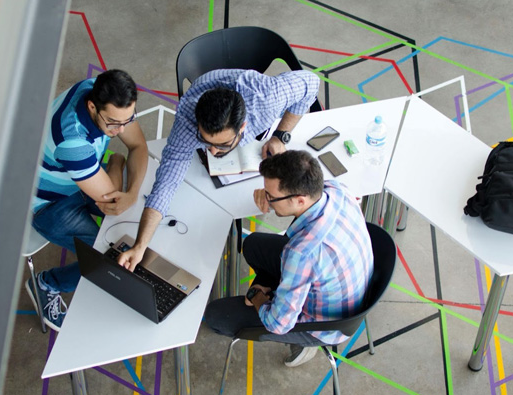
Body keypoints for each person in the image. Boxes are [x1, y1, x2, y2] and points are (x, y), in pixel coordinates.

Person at [116, 68, 320, 271]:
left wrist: (281, 134)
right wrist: (140, 245)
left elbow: (311, 83)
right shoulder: (187, 120)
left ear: (242, 128)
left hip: (252, 92)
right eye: (205, 142)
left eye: (222, 145)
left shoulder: (267, 99)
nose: (212, 152)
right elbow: (166, 183)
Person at [204, 150, 374, 367]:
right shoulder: (336, 190)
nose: (267, 200)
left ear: (300, 200)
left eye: (271, 197)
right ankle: (279, 293)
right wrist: (267, 193)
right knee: (254, 245)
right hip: (345, 286)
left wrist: (256, 295)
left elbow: (277, 324)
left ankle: (304, 345)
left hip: (324, 325)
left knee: (216, 315)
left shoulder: (302, 253)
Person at [25, 69, 148, 331]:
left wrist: (132, 191)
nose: (121, 130)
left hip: (80, 179)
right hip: (49, 204)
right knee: (106, 257)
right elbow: (113, 203)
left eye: (128, 120)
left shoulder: (101, 90)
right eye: (114, 123)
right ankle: (47, 284)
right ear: (92, 107)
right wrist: (116, 163)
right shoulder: (73, 141)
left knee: (133, 218)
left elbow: (138, 146)